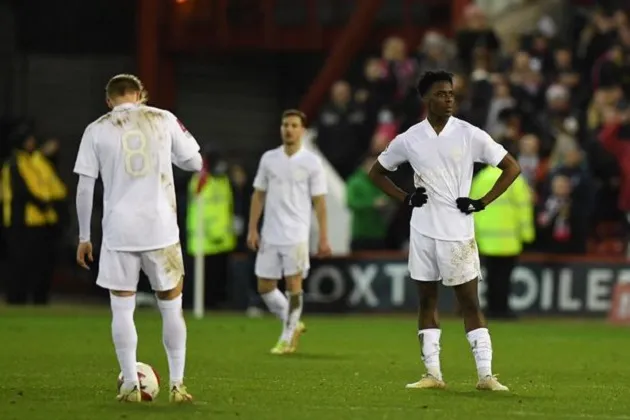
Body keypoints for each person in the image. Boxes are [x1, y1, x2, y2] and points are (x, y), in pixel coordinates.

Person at [369, 70, 520, 391]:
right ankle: (433, 375)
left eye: (451, 93)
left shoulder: (469, 134)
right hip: (422, 231)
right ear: (426, 99)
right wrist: (405, 198)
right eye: (441, 94)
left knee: (469, 303)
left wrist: (482, 202)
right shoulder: (409, 139)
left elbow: (512, 167)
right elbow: (377, 173)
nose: (449, 98)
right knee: (427, 302)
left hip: (457, 232)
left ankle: (485, 376)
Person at [73, 74, 202, 403]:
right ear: (141, 94)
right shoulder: (163, 119)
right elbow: (195, 161)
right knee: (172, 307)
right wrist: (169, 156)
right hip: (160, 227)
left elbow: (86, 186)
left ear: (108, 100)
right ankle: (177, 384)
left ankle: (131, 382)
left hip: (119, 230)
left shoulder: (96, 129)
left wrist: (85, 235)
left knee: (122, 308)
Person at [247, 109, 331, 355]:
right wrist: (253, 228)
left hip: (296, 234)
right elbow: (259, 194)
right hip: (270, 232)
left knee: (294, 285)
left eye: (294, 125)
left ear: (302, 130)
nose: (289, 129)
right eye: (285, 125)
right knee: (264, 286)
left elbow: (320, 202)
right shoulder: (269, 159)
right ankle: (292, 321)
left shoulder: (312, 162)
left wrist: (324, 236)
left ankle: (287, 336)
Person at [470, 164, 535, 319]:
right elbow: (523, 207)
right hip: (509, 239)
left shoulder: (481, 178)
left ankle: (491, 309)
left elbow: (471, 207)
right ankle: (502, 309)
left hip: (487, 238)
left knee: (491, 276)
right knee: (504, 277)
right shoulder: (515, 179)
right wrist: (527, 235)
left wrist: (473, 235)